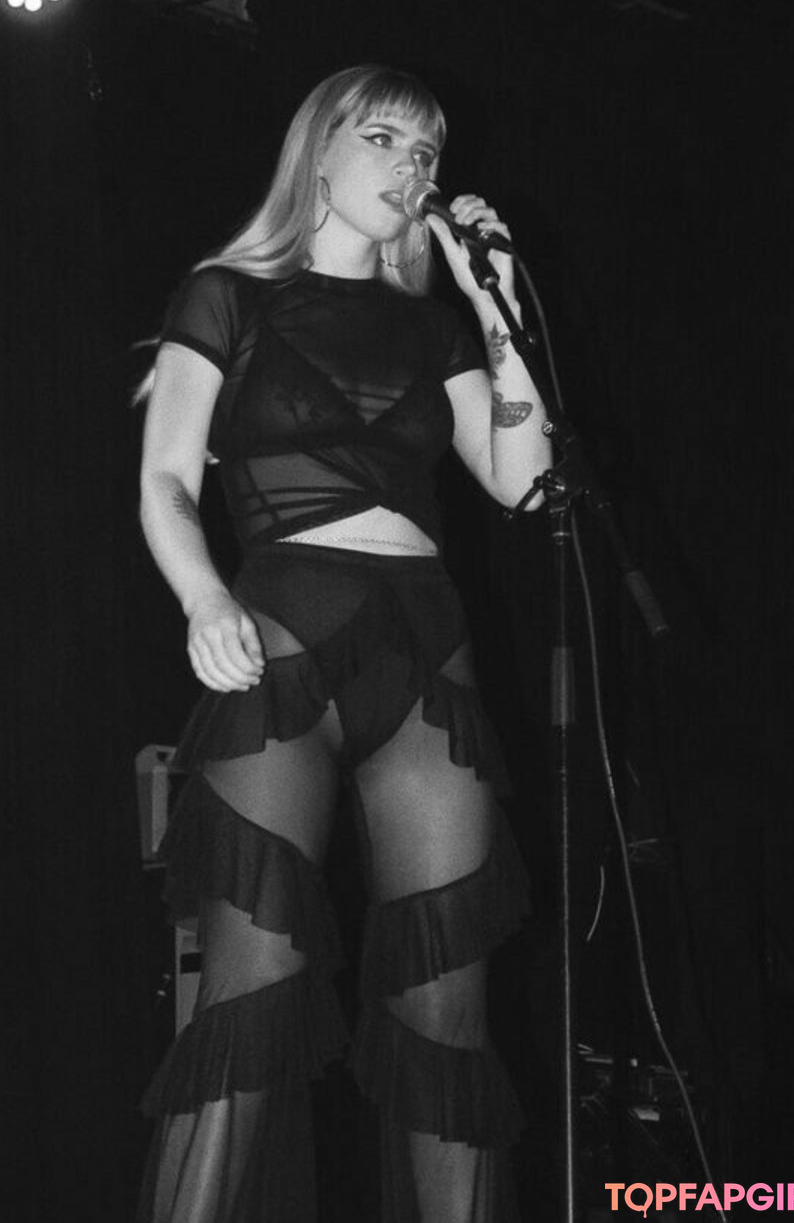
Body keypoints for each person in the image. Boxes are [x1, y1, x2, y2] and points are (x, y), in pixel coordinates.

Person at [136, 63, 551, 1223]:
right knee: (252, 988)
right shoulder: (228, 296)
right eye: (384, 140)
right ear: (317, 151)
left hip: (426, 654)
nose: (412, 167)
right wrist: (203, 599)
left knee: (447, 1013)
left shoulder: (435, 328)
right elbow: (166, 478)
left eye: (428, 153)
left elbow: (522, 483)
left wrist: (495, 304)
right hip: (284, 634)